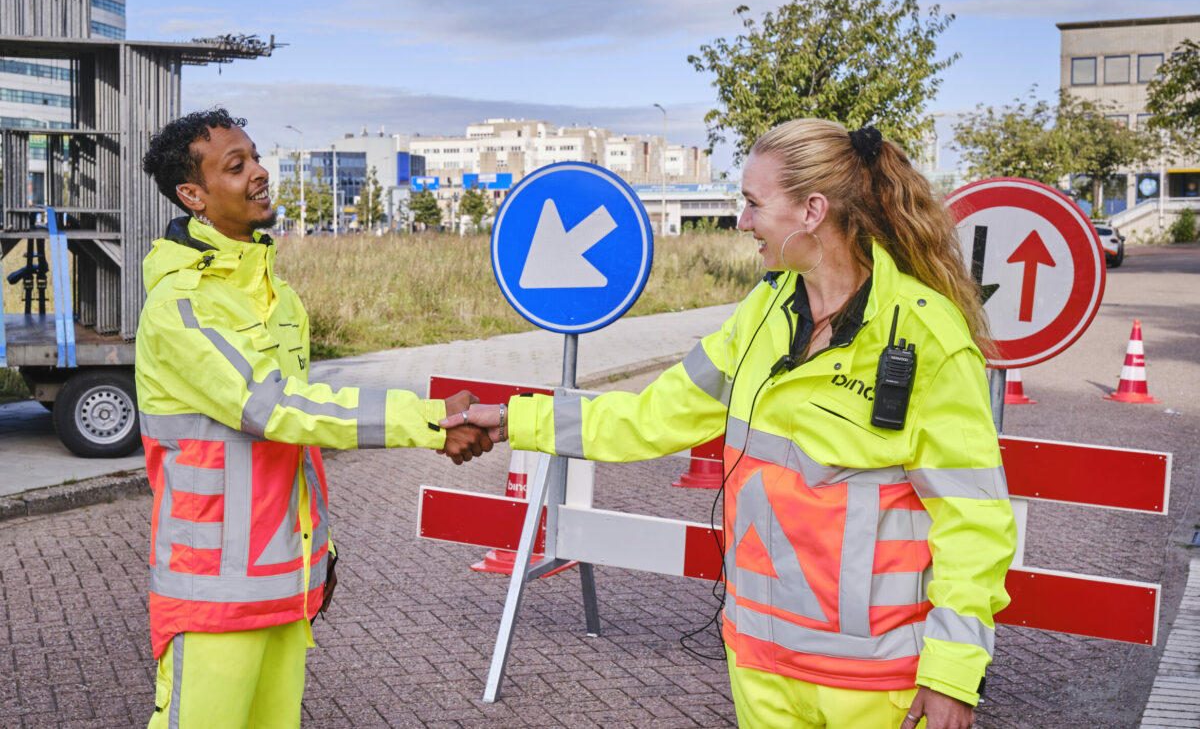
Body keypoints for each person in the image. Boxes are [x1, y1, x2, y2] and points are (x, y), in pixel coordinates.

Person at [446, 120, 1016, 729]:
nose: (740, 222)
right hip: (759, 661)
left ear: (812, 210)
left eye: (751, 203)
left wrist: (952, 675)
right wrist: (511, 420)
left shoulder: (927, 338)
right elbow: (651, 416)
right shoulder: (763, 311)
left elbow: (973, 523)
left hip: (875, 680)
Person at [136, 108, 492, 728]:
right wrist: (430, 419)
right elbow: (276, 409)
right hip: (213, 590)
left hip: (287, 578)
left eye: (255, 156)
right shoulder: (181, 307)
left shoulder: (282, 298)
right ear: (192, 195)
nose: (259, 173)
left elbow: (304, 435)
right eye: (236, 165)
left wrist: (318, 553)